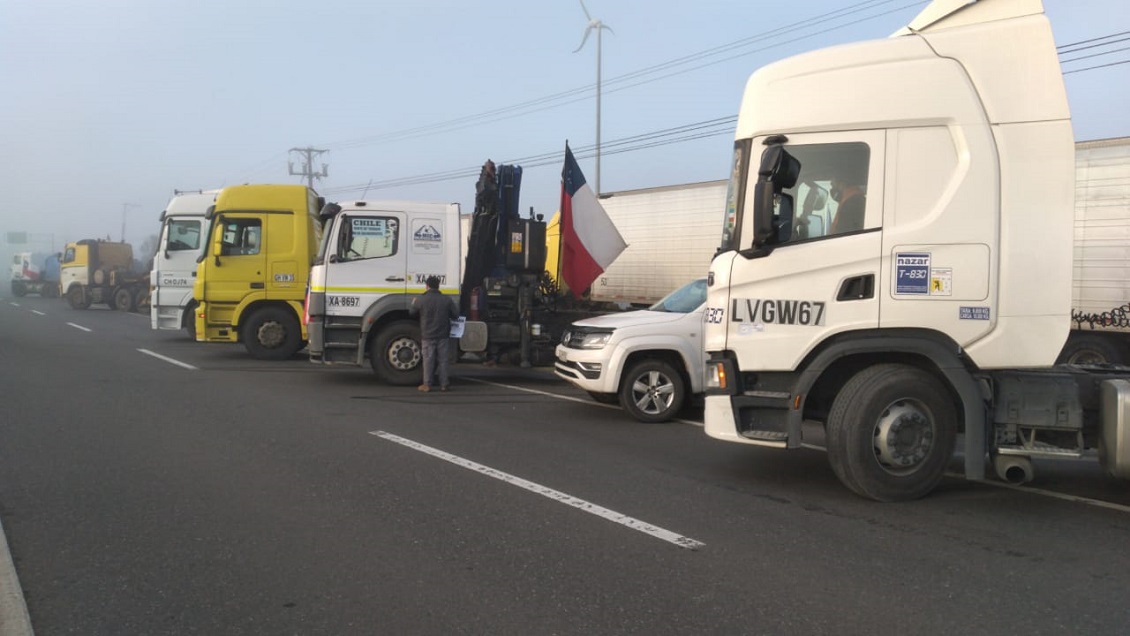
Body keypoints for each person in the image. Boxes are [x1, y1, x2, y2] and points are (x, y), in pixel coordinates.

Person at [409, 275, 459, 392]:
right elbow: (455, 315)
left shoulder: (421, 299)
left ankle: (427, 384)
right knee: (443, 360)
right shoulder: (446, 299)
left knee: (428, 360)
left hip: (427, 335)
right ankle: (444, 384)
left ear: (427, 286)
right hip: (443, 335)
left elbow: (412, 313)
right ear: (438, 286)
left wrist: (413, 303)